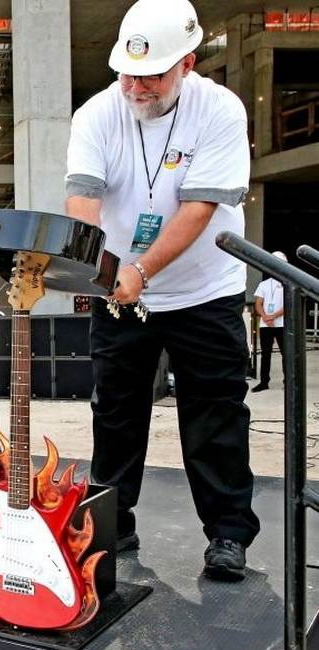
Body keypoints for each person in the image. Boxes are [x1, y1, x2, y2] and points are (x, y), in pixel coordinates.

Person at [65, 0, 258, 580]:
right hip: (121, 292)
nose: (136, 86)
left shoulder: (219, 110)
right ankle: (113, 522)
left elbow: (199, 208)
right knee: (116, 411)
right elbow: (83, 199)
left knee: (214, 413)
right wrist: (98, 268)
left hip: (205, 289)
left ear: (187, 64)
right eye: (127, 73)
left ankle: (228, 533)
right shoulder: (97, 114)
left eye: (151, 75)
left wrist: (142, 269)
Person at [252, 251, 287, 393]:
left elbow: (288, 304)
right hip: (266, 325)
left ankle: (288, 382)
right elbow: (258, 303)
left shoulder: (287, 284)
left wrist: (272, 316)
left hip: (282, 324)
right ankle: (264, 382)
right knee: (265, 354)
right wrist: (265, 317)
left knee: (286, 354)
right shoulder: (264, 284)